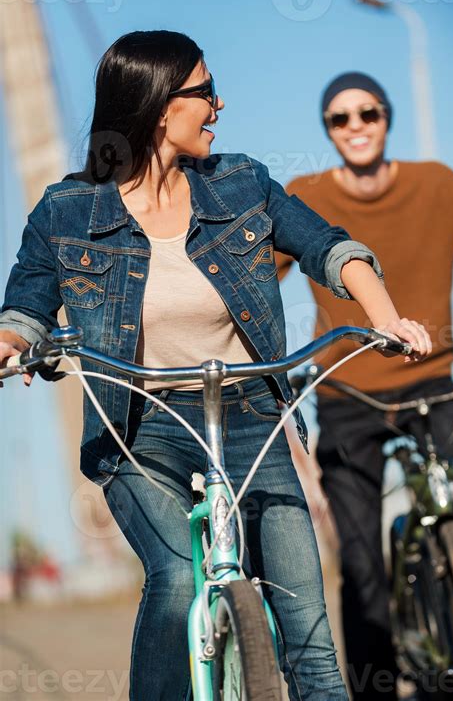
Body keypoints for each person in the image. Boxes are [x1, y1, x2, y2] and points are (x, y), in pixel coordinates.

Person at [0, 38, 431, 701]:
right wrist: (13, 345)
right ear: (158, 107)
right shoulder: (67, 211)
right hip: (137, 432)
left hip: (252, 420)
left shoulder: (242, 182)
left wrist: (386, 318)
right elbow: (25, 306)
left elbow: (329, 248)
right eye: (205, 91)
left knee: (309, 633)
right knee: (175, 577)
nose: (218, 104)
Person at [276, 71, 453, 700]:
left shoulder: (438, 184)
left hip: (435, 386)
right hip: (347, 396)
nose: (356, 126)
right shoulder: (303, 196)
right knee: (360, 566)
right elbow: (247, 277)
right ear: (328, 131)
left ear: (387, 119)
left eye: (369, 113)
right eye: (340, 119)